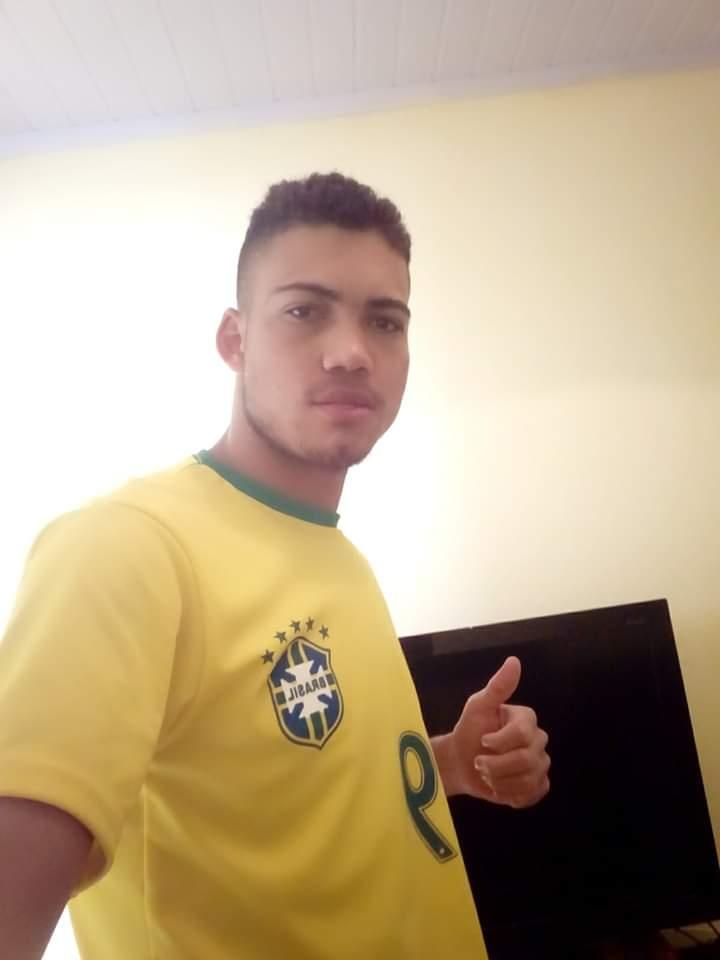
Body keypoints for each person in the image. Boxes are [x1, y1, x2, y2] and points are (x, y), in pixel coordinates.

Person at [0, 172, 550, 960]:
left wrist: (451, 766)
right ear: (235, 339)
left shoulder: (339, 556)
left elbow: (295, 789)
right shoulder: (127, 548)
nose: (352, 352)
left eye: (385, 321)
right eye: (304, 311)